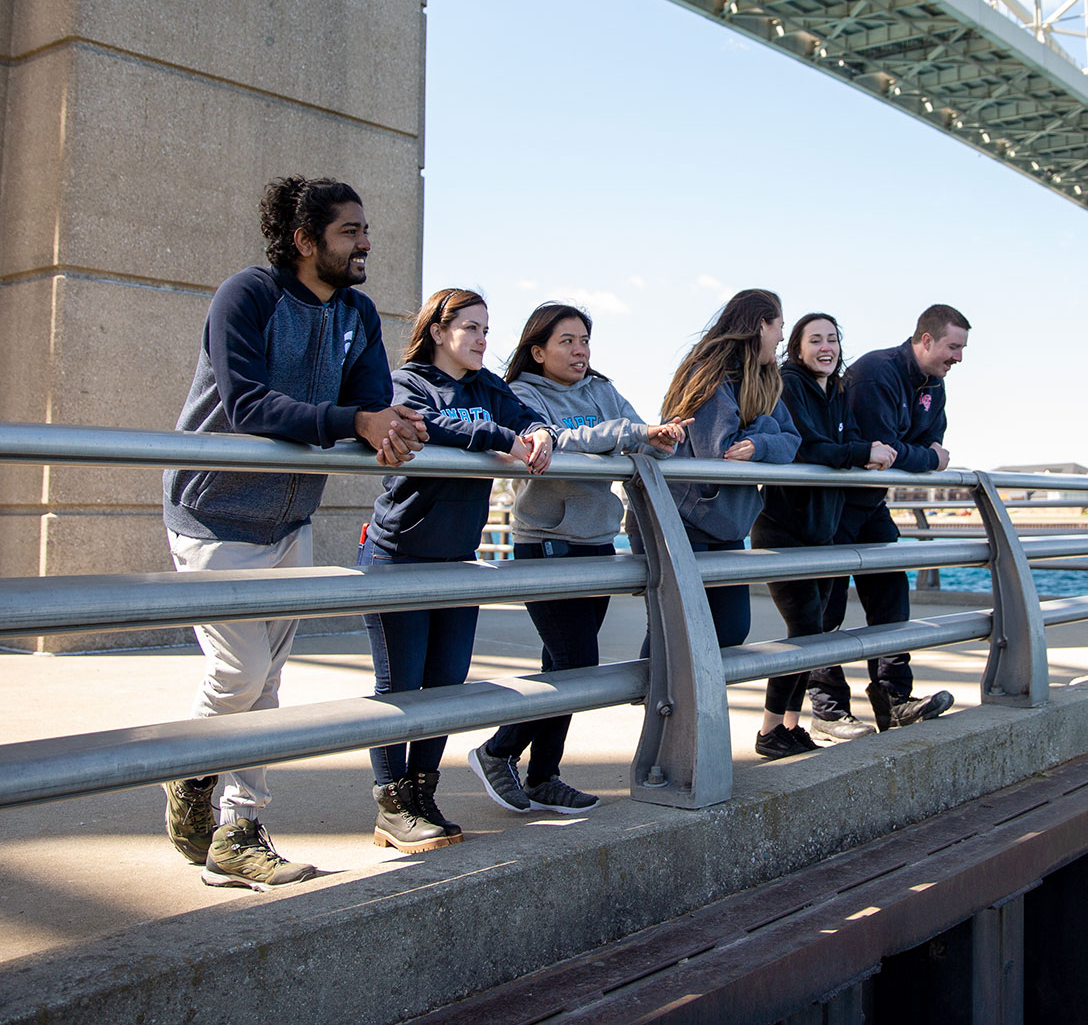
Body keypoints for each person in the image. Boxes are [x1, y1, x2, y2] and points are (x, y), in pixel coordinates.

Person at [161, 177, 428, 891]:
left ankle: (239, 829)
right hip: (214, 511)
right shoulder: (245, 297)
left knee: (269, 680)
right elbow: (247, 403)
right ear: (306, 240)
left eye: (365, 228)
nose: (365, 241)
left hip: (289, 517)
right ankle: (190, 771)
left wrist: (394, 425)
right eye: (349, 231)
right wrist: (355, 422)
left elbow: (371, 400)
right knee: (239, 671)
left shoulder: (357, 311)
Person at [468, 303, 691, 814]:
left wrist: (662, 438)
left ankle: (544, 775)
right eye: (566, 341)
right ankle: (496, 751)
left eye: (585, 340)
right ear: (538, 350)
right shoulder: (522, 394)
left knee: (562, 663)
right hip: (546, 542)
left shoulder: (602, 389)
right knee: (577, 662)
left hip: (596, 542)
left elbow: (643, 440)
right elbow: (557, 441)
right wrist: (629, 435)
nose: (580, 350)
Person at [361, 288, 556, 852]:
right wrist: (502, 439)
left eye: (487, 330)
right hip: (398, 555)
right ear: (440, 329)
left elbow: (528, 417)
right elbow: (427, 427)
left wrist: (538, 433)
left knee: (445, 684)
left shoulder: (486, 386)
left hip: (457, 559)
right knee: (400, 686)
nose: (480, 339)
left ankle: (423, 794)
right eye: (470, 327)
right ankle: (391, 803)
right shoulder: (409, 381)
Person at [807, 304, 971, 739]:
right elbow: (888, 450)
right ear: (926, 340)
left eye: (962, 349)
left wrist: (924, 455)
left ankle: (895, 701)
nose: (958, 358)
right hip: (835, 503)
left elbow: (926, 444)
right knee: (828, 607)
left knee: (892, 597)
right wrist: (927, 458)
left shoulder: (934, 386)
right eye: (953, 347)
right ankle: (826, 710)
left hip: (871, 504)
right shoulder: (877, 373)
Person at [751, 313, 896, 757]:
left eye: (832, 339)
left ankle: (790, 726)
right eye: (815, 340)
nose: (825, 347)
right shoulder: (789, 384)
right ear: (797, 348)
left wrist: (861, 452)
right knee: (804, 627)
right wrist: (858, 453)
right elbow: (806, 446)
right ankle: (768, 730)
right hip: (784, 527)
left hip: (824, 529)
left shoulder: (836, 390)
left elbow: (848, 438)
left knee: (816, 630)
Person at [646, 289, 799, 651]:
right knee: (677, 634)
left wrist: (761, 441)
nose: (781, 338)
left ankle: (693, 706)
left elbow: (792, 442)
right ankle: (657, 704)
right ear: (760, 324)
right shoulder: (708, 372)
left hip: (727, 520)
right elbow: (720, 452)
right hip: (682, 518)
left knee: (731, 631)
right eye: (779, 326)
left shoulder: (765, 379)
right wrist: (766, 429)